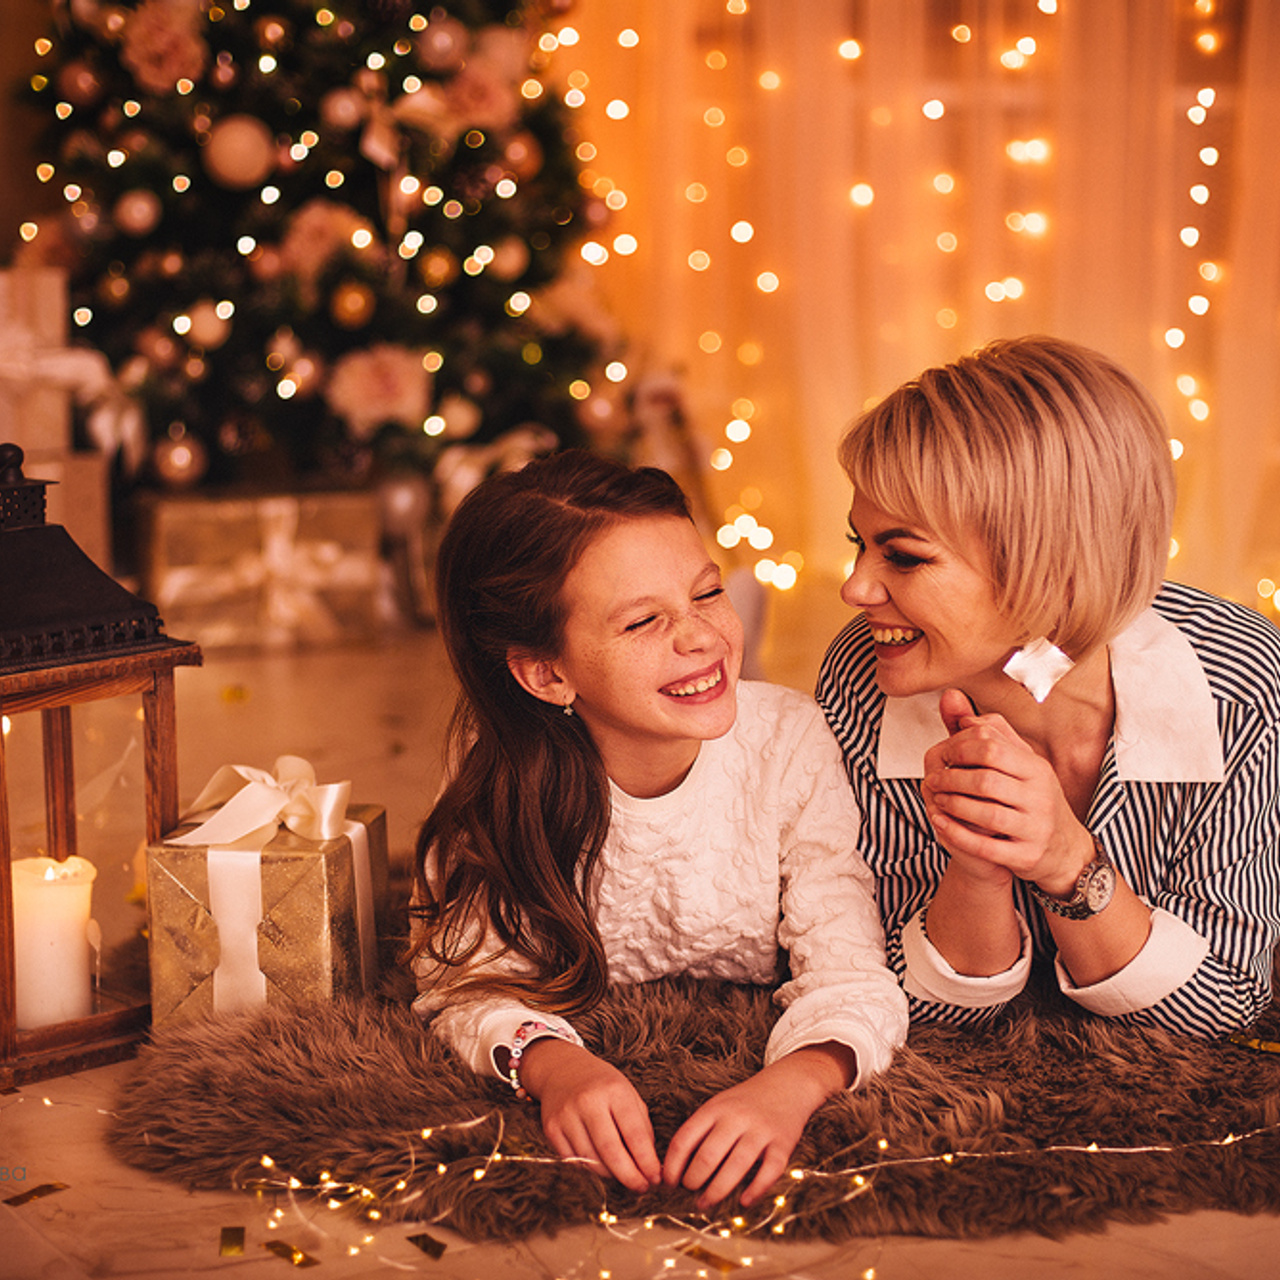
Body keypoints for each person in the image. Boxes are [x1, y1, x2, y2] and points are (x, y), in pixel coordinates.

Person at [408, 450, 907, 1211]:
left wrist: (791, 1086)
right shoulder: (498, 773)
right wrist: (552, 1065)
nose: (702, 636)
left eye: (707, 592)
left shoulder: (789, 743)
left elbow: (852, 972)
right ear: (547, 674)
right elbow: (461, 978)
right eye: (644, 620)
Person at [817, 335, 1280, 1038]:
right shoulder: (865, 674)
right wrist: (975, 871)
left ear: (1049, 569)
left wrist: (1067, 860)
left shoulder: (1236, 679)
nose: (855, 587)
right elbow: (896, 995)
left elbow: (1225, 1002)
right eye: (860, 542)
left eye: (903, 557)